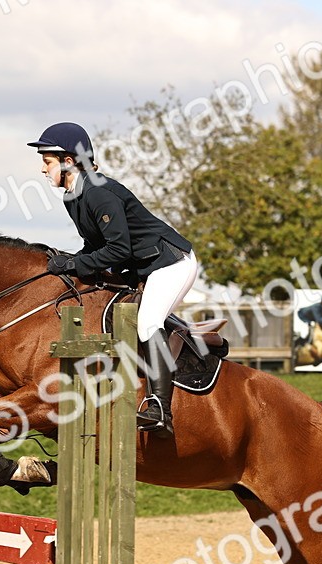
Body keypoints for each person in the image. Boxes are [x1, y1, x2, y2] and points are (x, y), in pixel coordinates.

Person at [28, 122, 198, 438]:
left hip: (171, 263)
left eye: (47, 161)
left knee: (148, 322)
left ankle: (161, 410)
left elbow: (118, 249)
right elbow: (95, 246)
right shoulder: (74, 196)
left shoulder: (99, 193)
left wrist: (75, 263)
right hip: (143, 267)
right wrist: (70, 264)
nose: (42, 169)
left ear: (68, 161)